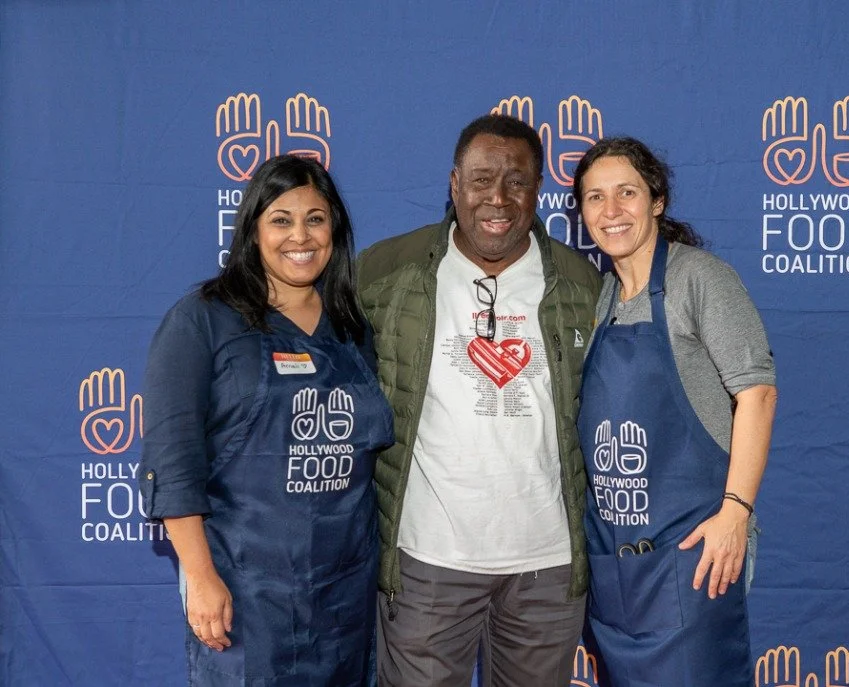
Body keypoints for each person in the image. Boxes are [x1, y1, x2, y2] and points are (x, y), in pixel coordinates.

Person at [357, 114, 601, 687]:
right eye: (481, 179)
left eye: (517, 181)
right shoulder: (384, 273)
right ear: (454, 184)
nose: (498, 198)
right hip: (427, 562)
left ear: (538, 189)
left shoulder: (582, 283)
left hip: (547, 567)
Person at [139, 155, 393, 686]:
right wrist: (200, 577)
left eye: (315, 219)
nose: (300, 236)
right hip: (246, 590)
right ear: (253, 230)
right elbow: (174, 460)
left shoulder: (351, 326)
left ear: (334, 230)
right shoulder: (203, 320)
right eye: (281, 219)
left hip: (345, 591)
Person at [572, 137, 777, 686]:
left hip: (694, 557)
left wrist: (736, 513)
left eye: (627, 193)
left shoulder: (699, 279)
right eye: (595, 197)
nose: (611, 211)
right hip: (618, 568)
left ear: (657, 200)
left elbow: (757, 393)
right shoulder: (603, 298)